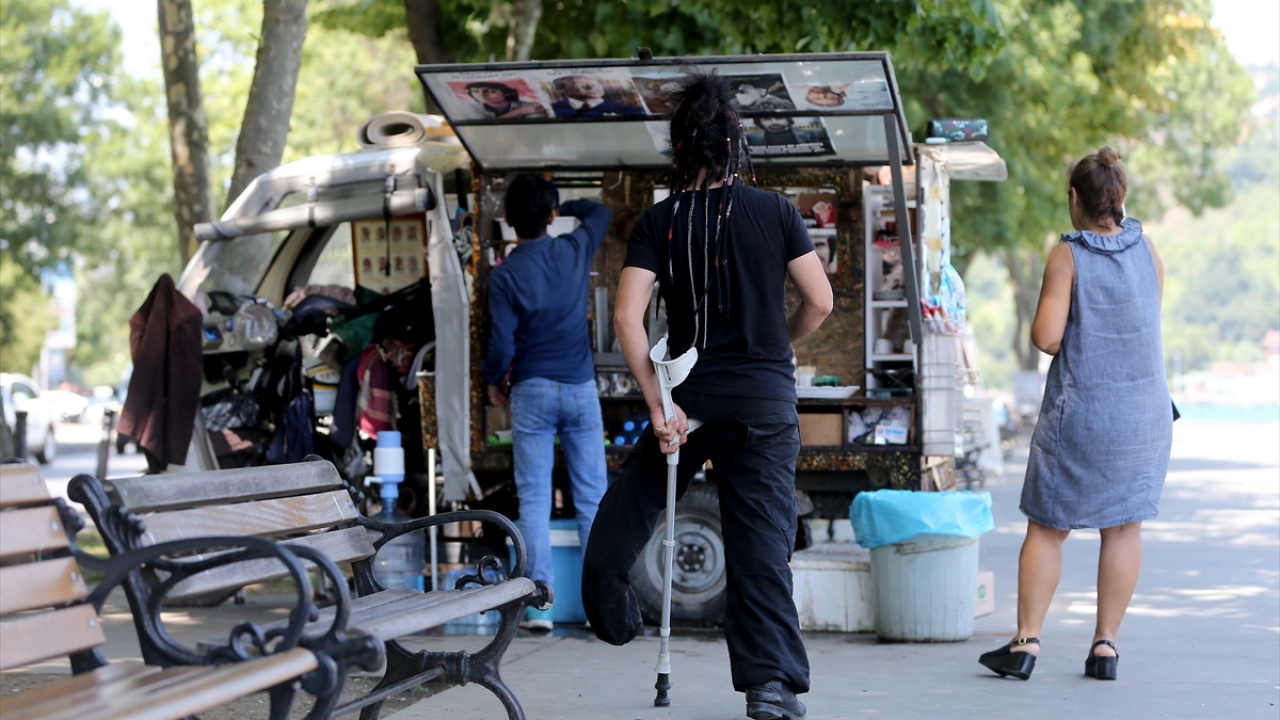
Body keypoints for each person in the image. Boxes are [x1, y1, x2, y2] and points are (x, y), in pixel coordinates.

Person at [582, 69, 833, 720]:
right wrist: (784, 341)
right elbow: (821, 300)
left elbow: (627, 319)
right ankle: (769, 687)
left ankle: (608, 597)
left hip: (689, 398)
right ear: (734, 145)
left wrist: (658, 404)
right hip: (763, 402)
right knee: (760, 543)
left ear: (682, 147)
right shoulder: (776, 212)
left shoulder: (660, 222)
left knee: (637, 495)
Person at [978, 147, 1172, 682]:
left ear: (1075, 199)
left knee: (1047, 528)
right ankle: (1105, 647)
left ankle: (1025, 644)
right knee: (1124, 526)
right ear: (1119, 199)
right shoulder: (1147, 248)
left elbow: (1045, 337)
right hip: (1144, 416)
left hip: (1084, 412)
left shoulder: (1069, 255)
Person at [482, 175, 612, 631]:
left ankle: (540, 604)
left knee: (534, 499)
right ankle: (602, 608)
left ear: (509, 220)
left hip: (532, 391)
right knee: (593, 498)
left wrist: (495, 381)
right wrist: (563, 199)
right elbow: (601, 212)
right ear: (553, 215)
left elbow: (500, 345)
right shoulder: (574, 249)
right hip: (579, 389)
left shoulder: (505, 274)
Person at [549, 75, 646, 117]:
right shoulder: (552, 110)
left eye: (594, 83)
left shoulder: (631, 111)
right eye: (582, 86)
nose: (592, 88)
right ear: (562, 90)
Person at [464, 81, 548, 119]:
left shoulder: (527, 105)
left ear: (505, 93)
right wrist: (521, 111)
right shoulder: (472, 108)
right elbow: (484, 127)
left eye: (491, 91)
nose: (481, 94)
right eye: (475, 91)